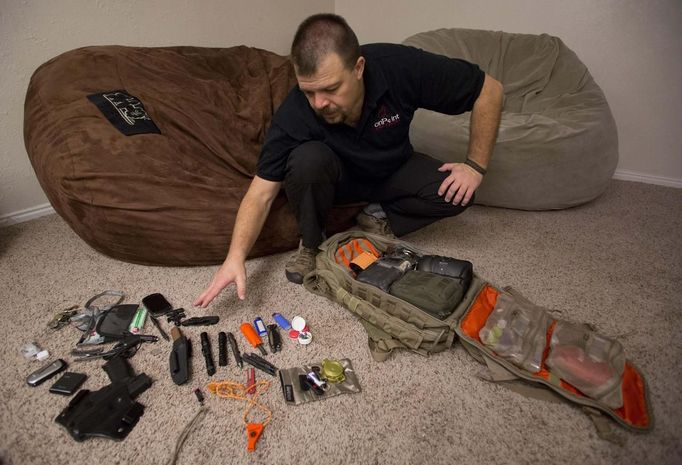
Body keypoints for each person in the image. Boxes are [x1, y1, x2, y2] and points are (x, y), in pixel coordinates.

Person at [194, 13, 503, 308]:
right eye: (309, 92)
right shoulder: (295, 113)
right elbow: (260, 193)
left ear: (358, 67)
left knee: (459, 194)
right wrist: (235, 257)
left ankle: (378, 216)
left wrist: (475, 166)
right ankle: (312, 243)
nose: (319, 103)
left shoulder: (398, 66)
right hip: (337, 180)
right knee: (305, 159)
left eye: (330, 89)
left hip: (392, 168)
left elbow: (489, 89)